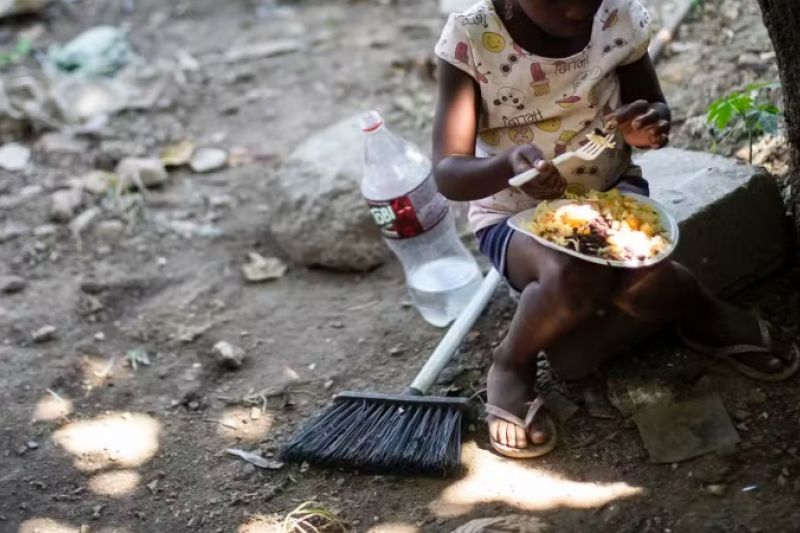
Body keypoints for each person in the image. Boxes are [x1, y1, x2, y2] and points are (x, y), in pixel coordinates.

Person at [432, 0, 799, 459]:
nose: (578, 9)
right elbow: (448, 172)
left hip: (609, 189)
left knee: (644, 276)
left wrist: (648, 128)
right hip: (515, 212)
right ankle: (513, 363)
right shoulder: (472, 39)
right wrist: (507, 167)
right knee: (573, 278)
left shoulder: (617, 18)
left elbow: (653, 110)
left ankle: (696, 310)